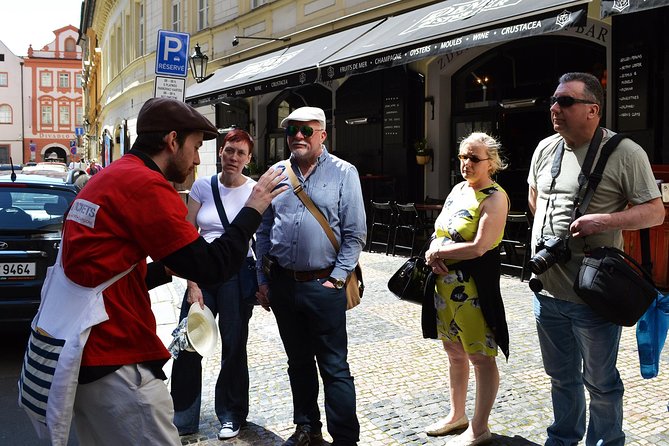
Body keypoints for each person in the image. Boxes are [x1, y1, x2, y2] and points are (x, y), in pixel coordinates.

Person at [60, 97, 287, 445]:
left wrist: (168, 267)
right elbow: (213, 265)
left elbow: (106, 273)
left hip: (85, 355)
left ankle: (229, 412)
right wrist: (254, 205)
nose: (198, 158)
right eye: (195, 146)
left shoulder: (112, 176)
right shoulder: (146, 185)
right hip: (117, 360)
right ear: (171, 141)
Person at [527, 72, 665, 446]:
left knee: (601, 383)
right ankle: (563, 438)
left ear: (593, 110)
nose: (555, 108)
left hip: (594, 295)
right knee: (560, 376)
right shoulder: (545, 148)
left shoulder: (625, 152)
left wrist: (606, 220)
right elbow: (534, 198)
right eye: (554, 101)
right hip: (546, 291)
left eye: (566, 102)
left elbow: (655, 213)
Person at [255, 106, 366, 446]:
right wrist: (262, 277)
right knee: (298, 363)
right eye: (291, 131)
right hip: (284, 284)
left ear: (323, 134)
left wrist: (336, 278)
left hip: (323, 284)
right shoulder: (276, 173)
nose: (298, 137)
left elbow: (355, 233)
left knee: (334, 368)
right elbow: (262, 229)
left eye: (306, 130)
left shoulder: (344, 173)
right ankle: (307, 428)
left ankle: (345, 438)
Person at [170, 129, 258, 440]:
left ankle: (231, 414)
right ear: (221, 152)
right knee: (190, 343)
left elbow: (265, 240)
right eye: (229, 150)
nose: (233, 157)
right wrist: (191, 283)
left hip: (237, 275)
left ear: (248, 159)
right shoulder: (202, 187)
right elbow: (187, 234)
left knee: (234, 347)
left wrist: (262, 282)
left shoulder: (255, 191)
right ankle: (183, 416)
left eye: (240, 153)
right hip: (203, 274)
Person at [422, 132, 509, 446]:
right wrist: (434, 256)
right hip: (445, 287)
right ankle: (456, 415)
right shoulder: (458, 189)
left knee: (481, 356)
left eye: (474, 158)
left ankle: (479, 426)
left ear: (492, 163)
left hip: (473, 289)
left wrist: (439, 254)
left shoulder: (494, 196)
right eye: (463, 157)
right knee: (454, 353)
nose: (467, 164)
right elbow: (441, 231)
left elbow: (479, 247)